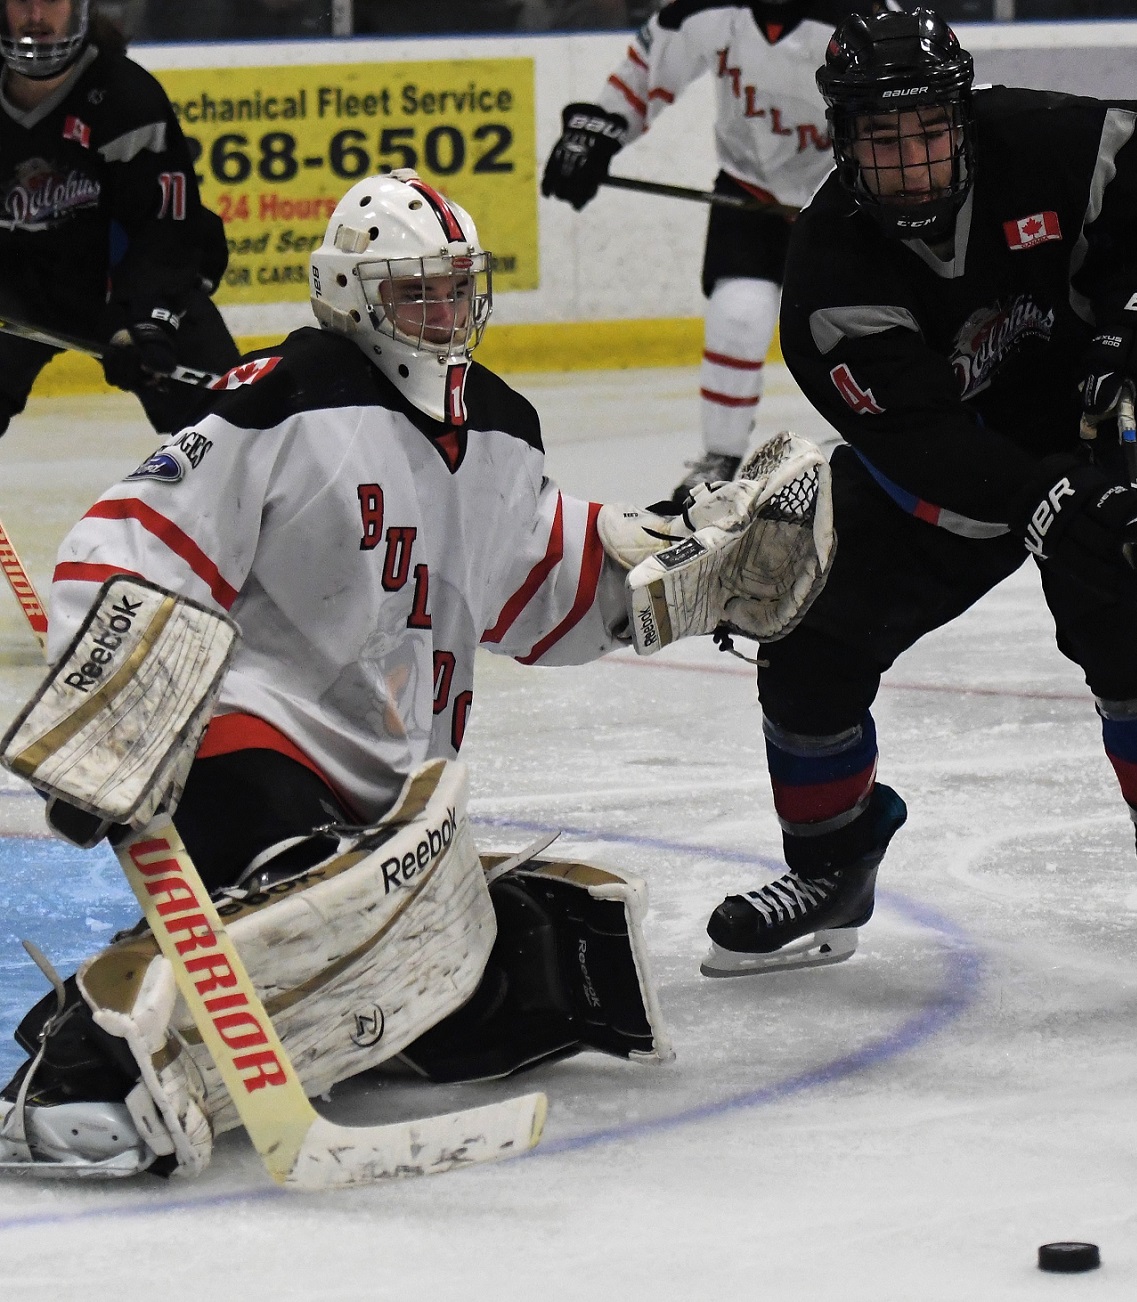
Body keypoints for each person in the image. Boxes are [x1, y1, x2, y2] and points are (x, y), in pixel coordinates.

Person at [0, 168, 829, 1177]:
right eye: (412, 294)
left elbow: (540, 589)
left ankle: (251, 1016)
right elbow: (130, 536)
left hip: (391, 785)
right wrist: (111, 722)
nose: (441, 318)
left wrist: (669, 573)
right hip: (250, 740)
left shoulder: (501, 430)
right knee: (297, 904)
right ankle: (72, 1067)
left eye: (453, 289)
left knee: (505, 982)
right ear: (352, 298)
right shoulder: (285, 397)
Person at [701, 9, 1137, 992]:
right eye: (882, 139)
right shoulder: (830, 271)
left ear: (961, 113)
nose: (909, 162)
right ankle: (832, 866)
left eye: (926, 132)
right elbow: (919, 442)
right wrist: (1041, 502)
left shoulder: (1042, 141)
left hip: (1090, 433)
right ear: (841, 140)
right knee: (806, 647)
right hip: (946, 483)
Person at [541, 0, 895, 506]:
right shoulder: (707, 12)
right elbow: (646, 71)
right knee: (739, 314)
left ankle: (885, 443)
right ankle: (720, 457)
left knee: (860, 325)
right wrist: (597, 133)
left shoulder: (862, 18)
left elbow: (902, 102)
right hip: (747, 188)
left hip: (842, 196)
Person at [0, 0, 238, 439]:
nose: (36, 14)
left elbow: (165, 232)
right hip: (15, 287)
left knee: (229, 425)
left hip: (118, 286)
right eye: (21, 0)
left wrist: (148, 323)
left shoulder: (126, 97)